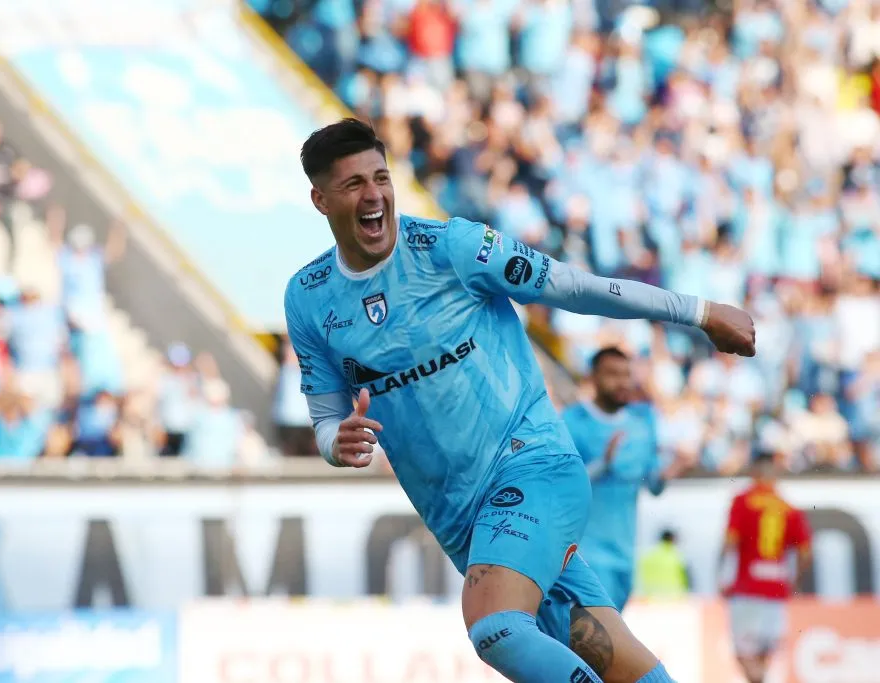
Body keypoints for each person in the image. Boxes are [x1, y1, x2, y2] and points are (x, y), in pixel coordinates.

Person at [284, 118, 755, 683]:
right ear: (320, 199)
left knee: (496, 627)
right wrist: (337, 442)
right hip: (459, 518)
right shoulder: (307, 298)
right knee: (606, 652)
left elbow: (575, 287)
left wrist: (699, 313)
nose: (374, 195)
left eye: (380, 178)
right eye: (353, 184)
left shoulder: (453, 248)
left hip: (531, 466)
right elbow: (325, 417)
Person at [562, 347, 692, 611]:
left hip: (624, 554)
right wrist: (603, 465)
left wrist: (670, 471)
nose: (622, 382)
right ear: (593, 377)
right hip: (584, 553)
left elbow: (653, 485)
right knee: (591, 638)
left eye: (626, 375)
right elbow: (560, 485)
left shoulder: (642, 424)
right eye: (612, 374)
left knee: (606, 638)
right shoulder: (571, 421)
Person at [719, 451, 812, 683]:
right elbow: (805, 552)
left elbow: (731, 541)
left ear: (754, 472)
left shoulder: (743, 500)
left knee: (743, 654)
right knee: (763, 655)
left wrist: (723, 575)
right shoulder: (789, 507)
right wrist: (796, 580)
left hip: (747, 589)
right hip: (776, 589)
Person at [635, 529, 690, 601]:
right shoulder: (678, 557)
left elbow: (638, 576)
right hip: (673, 599)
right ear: (672, 539)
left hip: (650, 599)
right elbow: (686, 580)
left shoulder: (648, 556)